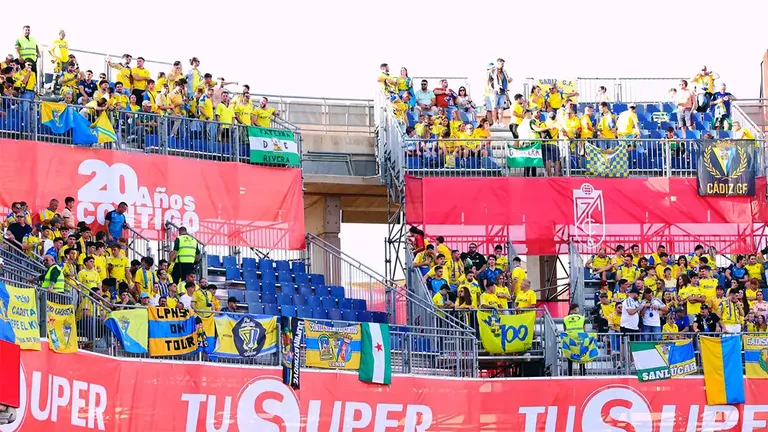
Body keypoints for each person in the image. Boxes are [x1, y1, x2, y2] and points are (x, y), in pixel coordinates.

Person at [563, 304, 587, 376]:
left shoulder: (565, 318)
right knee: (581, 357)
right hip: (580, 339)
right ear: (576, 309)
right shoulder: (582, 318)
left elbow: (565, 329)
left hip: (570, 339)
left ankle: (570, 375)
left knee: (570, 357)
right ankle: (582, 374)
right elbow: (584, 330)